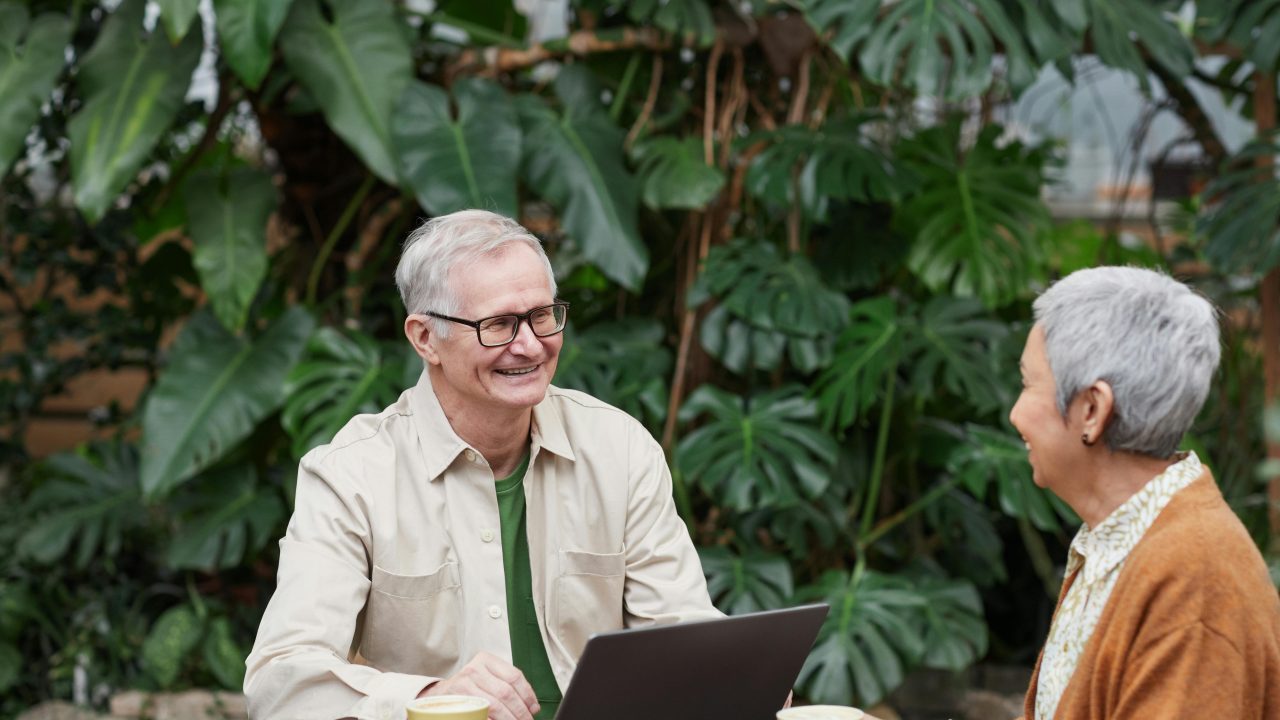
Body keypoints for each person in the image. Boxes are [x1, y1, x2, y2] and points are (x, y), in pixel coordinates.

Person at [245, 210, 721, 720]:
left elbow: (681, 632)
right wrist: (429, 700)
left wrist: (729, 676)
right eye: (499, 324)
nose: (530, 344)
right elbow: (281, 682)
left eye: (542, 315)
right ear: (424, 338)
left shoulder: (619, 449)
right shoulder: (352, 476)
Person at [1011, 266, 1280, 719]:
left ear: (1092, 410)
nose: (1016, 414)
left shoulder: (1193, 579)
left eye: (1028, 384)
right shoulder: (1121, 542)